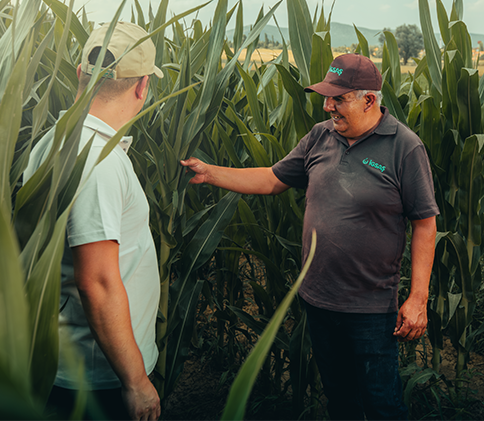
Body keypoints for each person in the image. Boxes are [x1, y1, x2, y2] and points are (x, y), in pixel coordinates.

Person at [180, 53, 439, 420]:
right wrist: (210, 172)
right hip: (319, 299)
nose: (327, 105)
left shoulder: (404, 147)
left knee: (382, 405)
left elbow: (424, 224)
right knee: (340, 400)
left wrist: (417, 298)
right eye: (326, 96)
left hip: (370, 308)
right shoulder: (321, 135)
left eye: (338, 98)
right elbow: (272, 179)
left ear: (369, 100)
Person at [24, 21, 163, 421]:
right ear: (142, 87)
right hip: (96, 375)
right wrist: (135, 381)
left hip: (72, 360)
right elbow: (97, 281)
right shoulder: (96, 160)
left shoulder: (55, 139)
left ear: (82, 74)